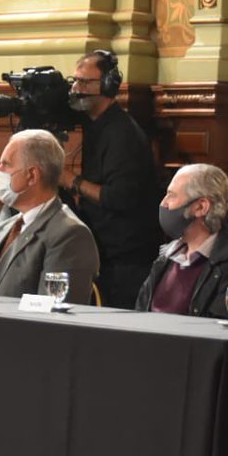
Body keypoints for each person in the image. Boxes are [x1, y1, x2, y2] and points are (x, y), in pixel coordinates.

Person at [59, 49, 161, 308]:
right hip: (106, 253)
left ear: (107, 86)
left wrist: (71, 180)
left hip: (126, 261)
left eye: (84, 82)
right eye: (75, 81)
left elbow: (119, 197)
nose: (76, 88)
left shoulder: (122, 134)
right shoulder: (96, 123)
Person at [0, 129, 99, 303]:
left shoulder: (70, 235)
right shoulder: (2, 229)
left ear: (32, 175)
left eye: (6, 164)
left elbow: (52, 312)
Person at [135, 163, 228, 322]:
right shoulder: (166, 258)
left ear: (201, 207)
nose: (163, 204)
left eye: (171, 196)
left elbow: (221, 337)